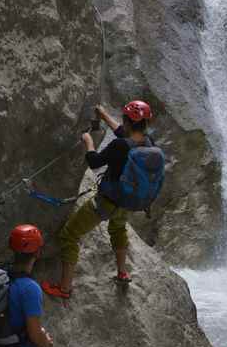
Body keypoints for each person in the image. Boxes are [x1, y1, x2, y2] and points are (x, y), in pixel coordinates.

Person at [56, 101, 154, 293]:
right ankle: (122, 273)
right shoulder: (148, 142)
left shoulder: (119, 146)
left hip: (106, 202)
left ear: (126, 121)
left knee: (69, 235)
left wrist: (88, 142)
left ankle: (65, 287)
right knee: (118, 230)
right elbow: (123, 133)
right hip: (127, 202)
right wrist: (104, 115)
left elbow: (95, 162)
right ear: (145, 124)